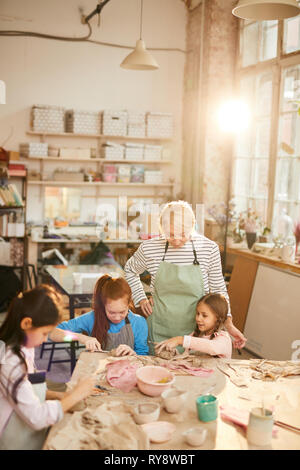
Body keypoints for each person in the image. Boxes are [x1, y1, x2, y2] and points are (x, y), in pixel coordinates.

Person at [125, 200, 246, 354]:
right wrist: (140, 298)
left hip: (197, 332)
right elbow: (130, 269)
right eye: (169, 234)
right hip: (159, 326)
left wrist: (228, 323)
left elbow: (218, 290)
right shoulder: (150, 248)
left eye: (182, 234)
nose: (176, 239)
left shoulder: (209, 249)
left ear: (193, 226)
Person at [0, 285, 96, 450]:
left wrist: (61, 395)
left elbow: (27, 388)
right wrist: (76, 395)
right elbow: (37, 417)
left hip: (28, 430)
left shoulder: (24, 345)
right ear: (26, 323)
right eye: (44, 334)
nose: (45, 340)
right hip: (14, 439)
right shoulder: (10, 362)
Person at [50, 275, 148, 356]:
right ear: (103, 305)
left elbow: (143, 357)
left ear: (129, 304)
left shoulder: (139, 323)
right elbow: (52, 333)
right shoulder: (92, 318)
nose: (117, 317)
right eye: (111, 312)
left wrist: (133, 354)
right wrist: (82, 338)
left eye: (122, 312)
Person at [155, 293, 232, 359]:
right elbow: (187, 357)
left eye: (204, 315)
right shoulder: (196, 334)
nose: (198, 318)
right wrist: (174, 354)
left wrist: (180, 340)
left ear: (218, 318)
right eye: (198, 313)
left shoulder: (223, 337)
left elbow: (213, 348)